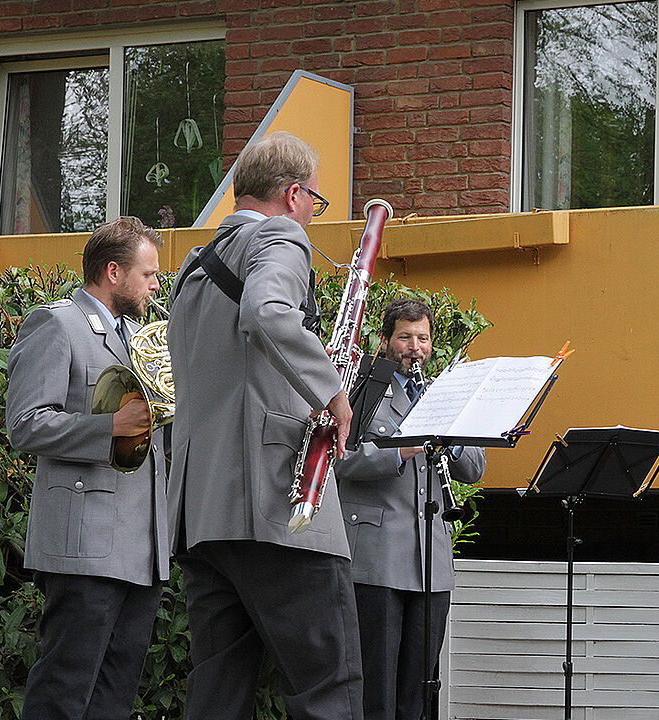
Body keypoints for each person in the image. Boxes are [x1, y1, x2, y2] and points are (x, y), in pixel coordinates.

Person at [166, 131, 363, 720]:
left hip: (205, 515)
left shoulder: (192, 266)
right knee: (330, 686)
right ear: (295, 194)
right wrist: (330, 389)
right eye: (317, 204)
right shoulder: (279, 235)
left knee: (218, 696)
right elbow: (267, 313)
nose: (313, 216)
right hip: (278, 505)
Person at [6, 216, 169, 719]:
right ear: (114, 272)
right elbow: (26, 426)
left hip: (142, 547)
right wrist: (109, 428)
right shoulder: (57, 323)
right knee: (64, 690)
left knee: (115, 696)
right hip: (85, 544)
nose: (156, 285)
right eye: (149, 275)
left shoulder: (140, 337)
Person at [335, 298, 486, 720]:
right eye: (405, 336)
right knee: (377, 688)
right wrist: (399, 452)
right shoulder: (363, 388)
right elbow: (338, 459)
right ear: (385, 341)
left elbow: (474, 468)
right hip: (377, 559)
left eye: (423, 338)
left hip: (431, 563)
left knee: (421, 690)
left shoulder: (444, 394)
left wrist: (450, 437)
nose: (414, 347)